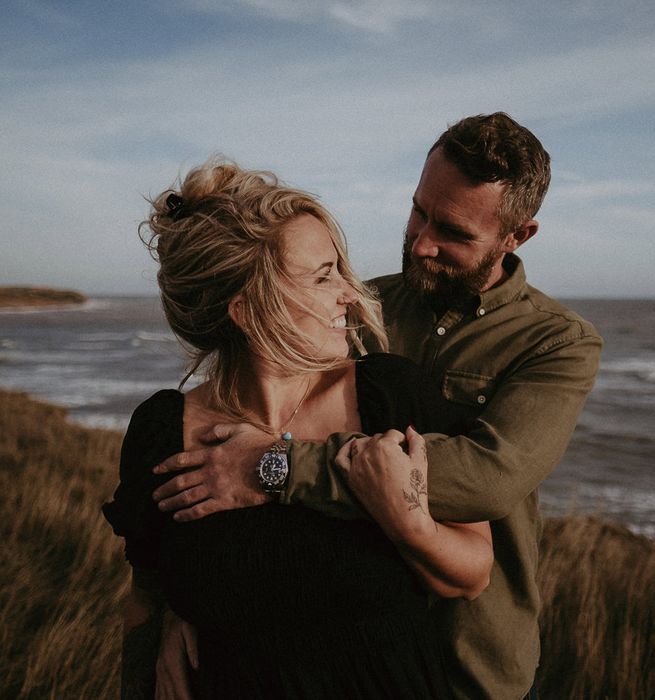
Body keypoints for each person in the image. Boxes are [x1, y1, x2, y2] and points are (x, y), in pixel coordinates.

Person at [153, 113, 603, 699]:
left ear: (517, 236)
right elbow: (255, 410)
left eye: (453, 231)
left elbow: (490, 477)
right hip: (341, 641)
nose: (421, 241)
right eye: (419, 210)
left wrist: (278, 467)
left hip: (471, 655)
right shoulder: (361, 306)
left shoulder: (557, 342)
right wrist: (192, 604)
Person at [102, 158, 494, 699]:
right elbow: (145, 595)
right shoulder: (164, 432)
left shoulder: (389, 395)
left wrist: (409, 523)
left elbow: (471, 573)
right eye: (322, 276)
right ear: (248, 308)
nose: (351, 294)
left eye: (339, 268)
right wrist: (170, 625)